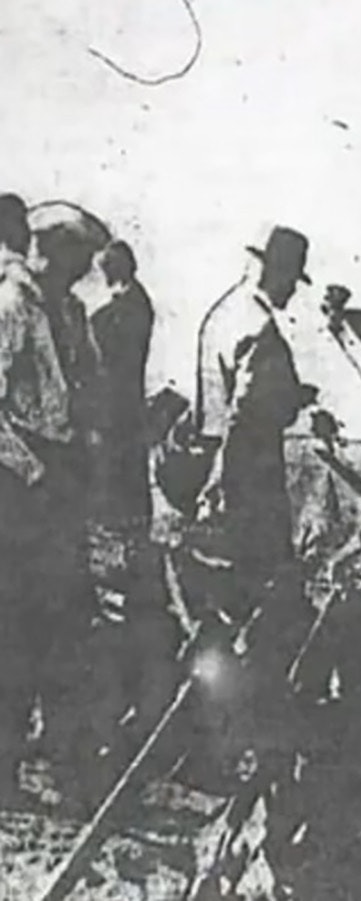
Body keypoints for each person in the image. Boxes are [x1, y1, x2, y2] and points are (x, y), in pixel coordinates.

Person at [183, 226, 320, 899]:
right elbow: (247, 413)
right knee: (265, 615)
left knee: (222, 609)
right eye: (293, 276)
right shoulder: (262, 329)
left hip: (223, 477)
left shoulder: (225, 311)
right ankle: (240, 740)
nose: (294, 287)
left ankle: (207, 734)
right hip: (249, 486)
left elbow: (222, 402)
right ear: (282, 273)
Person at [0, 193, 80, 806]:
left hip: (47, 479)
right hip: (20, 485)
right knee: (18, 627)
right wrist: (33, 474)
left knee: (48, 622)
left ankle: (38, 756)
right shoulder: (11, 301)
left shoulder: (44, 304)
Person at [88, 240, 154, 527]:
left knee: (122, 452)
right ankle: (125, 514)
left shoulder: (133, 303)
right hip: (122, 393)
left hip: (121, 393)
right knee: (123, 453)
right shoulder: (130, 299)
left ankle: (125, 516)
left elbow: (118, 342)